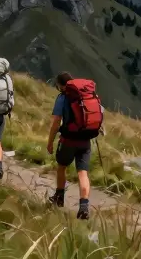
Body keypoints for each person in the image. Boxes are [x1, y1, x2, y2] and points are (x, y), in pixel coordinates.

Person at [47, 73, 104, 220]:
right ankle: (84, 207)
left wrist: (50, 142)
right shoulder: (87, 95)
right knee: (83, 173)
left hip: (68, 140)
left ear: (60, 85)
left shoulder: (63, 97)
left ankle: (59, 197)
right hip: (85, 140)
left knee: (62, 167)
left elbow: (56, 122)